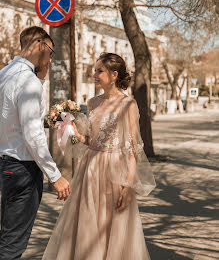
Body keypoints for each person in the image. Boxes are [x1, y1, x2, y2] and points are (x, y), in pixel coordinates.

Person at [43, 53, 156, 260]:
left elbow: (132, 149)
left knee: (112, 223)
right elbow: (91, 139)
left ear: (114, 75)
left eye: (99, 71)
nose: (94, 74)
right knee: (87, 222)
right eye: (94, 70)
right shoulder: (93, 102)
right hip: (90, 168)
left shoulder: (128, 105)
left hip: (114, 170)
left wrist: (129, 186)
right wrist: (75, 134)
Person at [0, 26, 70, 259]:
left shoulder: (4, 74)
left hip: (5, 165)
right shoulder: (27, 81)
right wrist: (55, 175)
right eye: (50, 52)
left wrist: (40, 79)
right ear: (40, 45)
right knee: (13, 243)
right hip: (23, 169)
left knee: (7, 233)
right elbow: (32, 134)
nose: (50, 58)